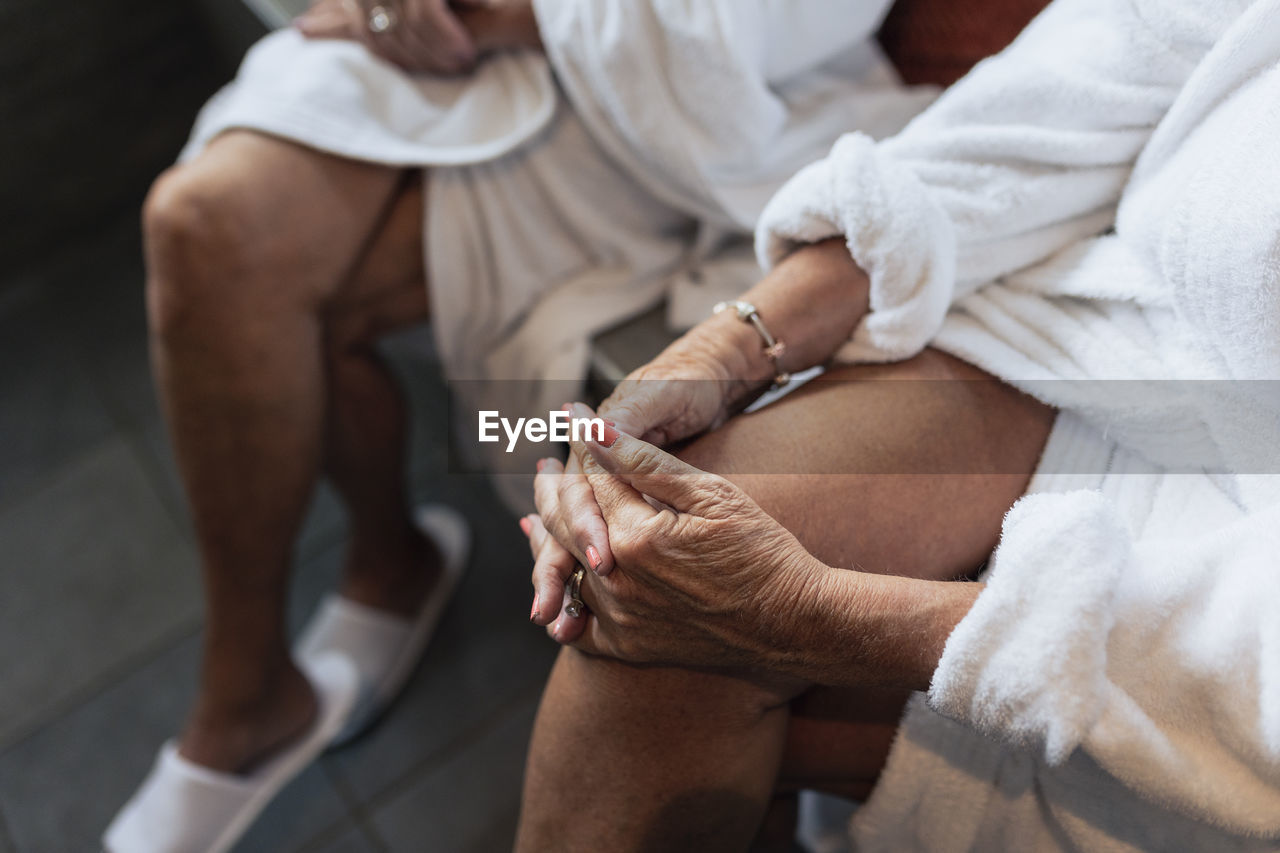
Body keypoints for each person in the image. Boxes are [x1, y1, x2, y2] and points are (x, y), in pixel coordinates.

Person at [104, 2, 939, 850]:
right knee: (200, 223)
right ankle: (312, 631)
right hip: (460, 50)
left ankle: (355, 603)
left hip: (664, 89)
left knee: (289, 295)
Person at [519, 0, 1280, 849]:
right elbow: (1111, 56)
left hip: (1249, 600)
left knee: (690, 642)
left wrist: (810, 611)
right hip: (1120, 342)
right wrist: (730, 345)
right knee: (642, 567)